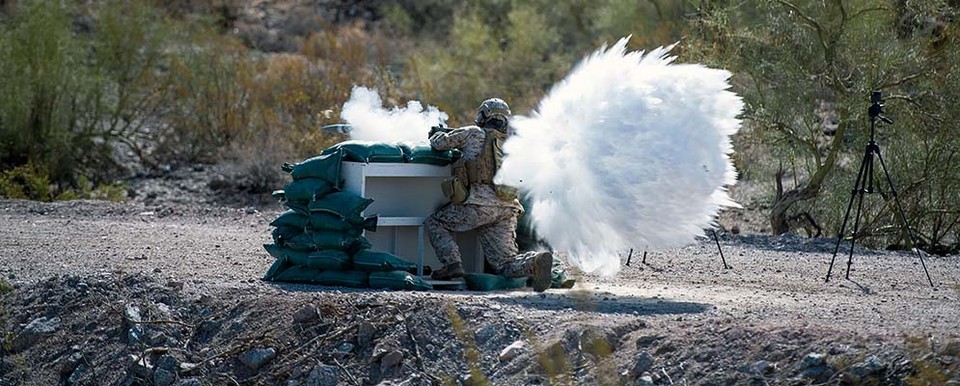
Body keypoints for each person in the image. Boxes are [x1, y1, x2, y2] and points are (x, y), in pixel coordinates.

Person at [425, 98, 554, 292]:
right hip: (507, 207)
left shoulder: (473, 133)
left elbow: (440, 143)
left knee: (436, 222)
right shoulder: (512, 142)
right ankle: (534, 261)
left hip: (478, 205)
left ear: (484, 115)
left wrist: (439, 134)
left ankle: (453, 265)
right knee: (504, 263)